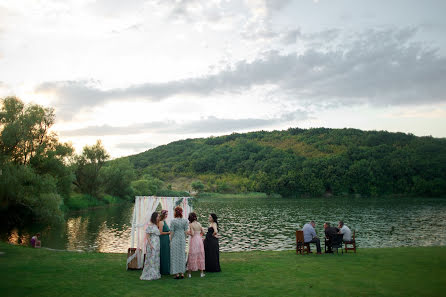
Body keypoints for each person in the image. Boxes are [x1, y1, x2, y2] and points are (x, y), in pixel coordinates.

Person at [140, 212, 161, 281]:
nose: (158, 218)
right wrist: (150, 245)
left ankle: (155, 273)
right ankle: (149, 273)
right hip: (152, 244)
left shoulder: (156, 225)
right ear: (154, 217)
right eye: (157, 216)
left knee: (156, 259)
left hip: (157, 244)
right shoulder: (150, 226)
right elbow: (147, 236)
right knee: (151, 258)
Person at [170, 206, 189, 279]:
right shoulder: (185, 221)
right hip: (182, 239)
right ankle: (182, 273)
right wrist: (184, 238)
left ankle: (177, 273)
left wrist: (170, 240)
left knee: (175, 255)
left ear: (175, 212)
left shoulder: (173, 221)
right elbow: (186, 231)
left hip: (175, 238)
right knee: (181, 255)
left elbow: (172, 232)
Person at [186, 212, 205, 278]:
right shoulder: (199, 224)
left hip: (194, 240)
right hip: (199, 240)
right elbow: (203, 232)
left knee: (192, 254)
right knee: (200, 255)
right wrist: (199, 236)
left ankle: (189, 273)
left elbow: (192, 234)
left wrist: (187, 233)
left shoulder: (191, 225)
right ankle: (201, 273)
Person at [158, 210, 171, 275]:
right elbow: (160, 232)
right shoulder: (161, 222)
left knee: (166, 253)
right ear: (163, 215)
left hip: (166, 239)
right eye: (165, 214)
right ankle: (163, 270)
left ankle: (167, 268)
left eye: (167, 214)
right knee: (163, 253)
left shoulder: (164, 221)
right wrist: (168, 232)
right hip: (163, 239)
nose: (166, 215)